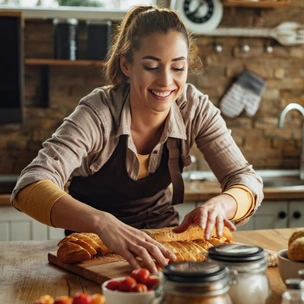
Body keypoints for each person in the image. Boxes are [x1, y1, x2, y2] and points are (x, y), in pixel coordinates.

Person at [11, 5, 263, 273]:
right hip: (94, 249)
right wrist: (102, 223)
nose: (166, 81)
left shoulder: (195, 108)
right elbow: (30, 186)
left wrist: (222, 205)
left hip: (167, 243)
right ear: (126, 64)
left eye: (178, 67)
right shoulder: (98, 113)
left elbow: (245, 178)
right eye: (152, 66)